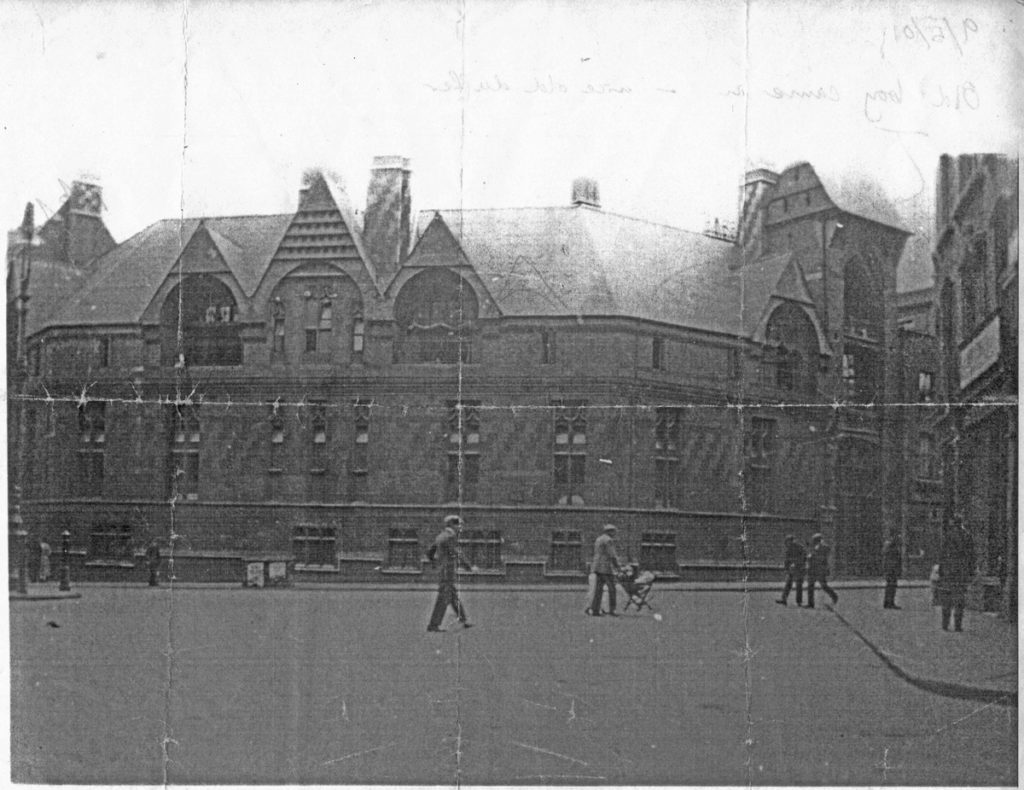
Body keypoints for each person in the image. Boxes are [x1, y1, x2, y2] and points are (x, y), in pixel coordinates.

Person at [426, 515, 476, 632]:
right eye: (458, 525)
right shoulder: (450, 537)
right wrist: (469, 567)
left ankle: (464, 619)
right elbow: (456, 553)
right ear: (451, 525)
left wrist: (435, 563)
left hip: (442, 570)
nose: (460, 528)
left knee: (452, 596)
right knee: (443, 598)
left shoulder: (440, 536)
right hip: (447, 571)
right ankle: (433, 625)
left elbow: (429, 552)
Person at [938, 516, 976, 632]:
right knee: (959, 598)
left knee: (947, 598)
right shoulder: (967, 536)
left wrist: (941, 569)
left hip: (948, 571)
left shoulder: (947, 536)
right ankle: (957, 625)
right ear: (961, 523)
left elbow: (942, 554)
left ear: (952, 523)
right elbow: (971, 555)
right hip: (961, 571)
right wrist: (971, 571)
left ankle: (945, 624)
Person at [588, 524, 622, 616]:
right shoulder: (608, 540)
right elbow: (612, 555)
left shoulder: (598, 539)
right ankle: (612, 610)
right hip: (605, 568)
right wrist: (618, 567)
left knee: (598, 589)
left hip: (597, 567)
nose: (615, 533)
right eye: (614, 531)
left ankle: (595, 610)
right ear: (610, 531)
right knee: (612, 589)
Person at [805, 533, 838, 608]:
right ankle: (810, 603)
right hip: (814, 569)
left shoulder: (823, 547)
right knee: (810, 586)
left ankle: (834, 596)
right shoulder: (815, 547)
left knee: (823, 585)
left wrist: (812, 556)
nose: (813, 541)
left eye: (814, 540)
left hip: (820, 569)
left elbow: (820, 557)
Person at [776, 534, 806, 606]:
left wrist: (796, 563)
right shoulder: (789, 549)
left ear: (792, 541)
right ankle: (784, 599)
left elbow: (804, 557)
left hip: (799, 568)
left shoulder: (799, 547)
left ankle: (799, 602)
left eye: (788, 541)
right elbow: (787, 560)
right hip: (792, 570)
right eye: (787, 542)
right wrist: (786, 569)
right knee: (788, 584)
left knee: (799, 585)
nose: (787, 543)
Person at [882, 534, 903, 609]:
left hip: (890, 570)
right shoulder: (892, 548)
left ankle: (888, 602)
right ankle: (890, 603)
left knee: (890, 586)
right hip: (891, 570)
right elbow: (894, 560)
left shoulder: (889, 547)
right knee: (891, 587)